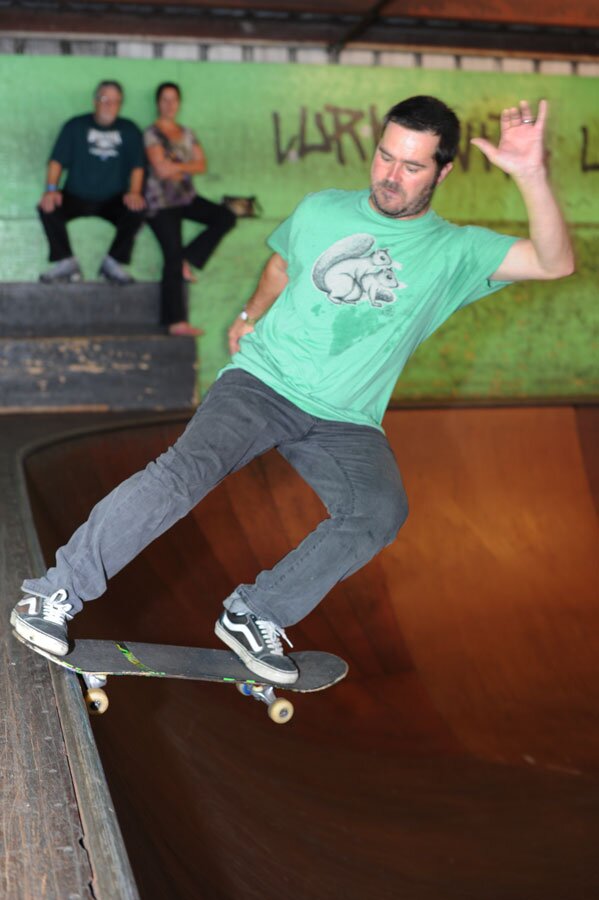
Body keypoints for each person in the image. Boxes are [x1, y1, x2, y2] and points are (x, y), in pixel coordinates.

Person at [12, 96, 574, 685]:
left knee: (379, 511)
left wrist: (532, 176)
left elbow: (555, 262)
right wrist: (248, 314)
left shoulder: (458, 252)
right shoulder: (321, 210)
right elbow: (282, 267)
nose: (390, 175)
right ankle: (53, 595)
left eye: (412, 167)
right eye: (385, 157)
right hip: (263, 381)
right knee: (185, 472)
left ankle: (255, 612)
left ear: (443, 171)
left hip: (346, 419)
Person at [143, 82, 236, 336]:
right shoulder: (151, 133)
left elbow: (202, 165)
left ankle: (190, 257)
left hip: (185, 197)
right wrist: (187, 165)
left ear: (179, 103)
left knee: (225, 217)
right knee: (171, 258)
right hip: (160, 202)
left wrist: (178, 166)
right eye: (164, 99)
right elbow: (161, 170)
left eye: (174, 99)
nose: (169, 104)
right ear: (158, 103)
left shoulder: (186, 132)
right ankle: (176, 322)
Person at [38, 80, 145, 285]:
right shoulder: (75, 126)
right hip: (75, 195)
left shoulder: (129, 130)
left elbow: (137, 167)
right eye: (104, 99)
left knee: (137, 210)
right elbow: (56, 162)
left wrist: (135, 191)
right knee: (47, 207)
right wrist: (50, 190)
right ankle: (66, 262)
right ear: (95, 101)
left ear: (120, 104)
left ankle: (113, 263)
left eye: (115, 101)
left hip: (113, 199)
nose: (109, 105)